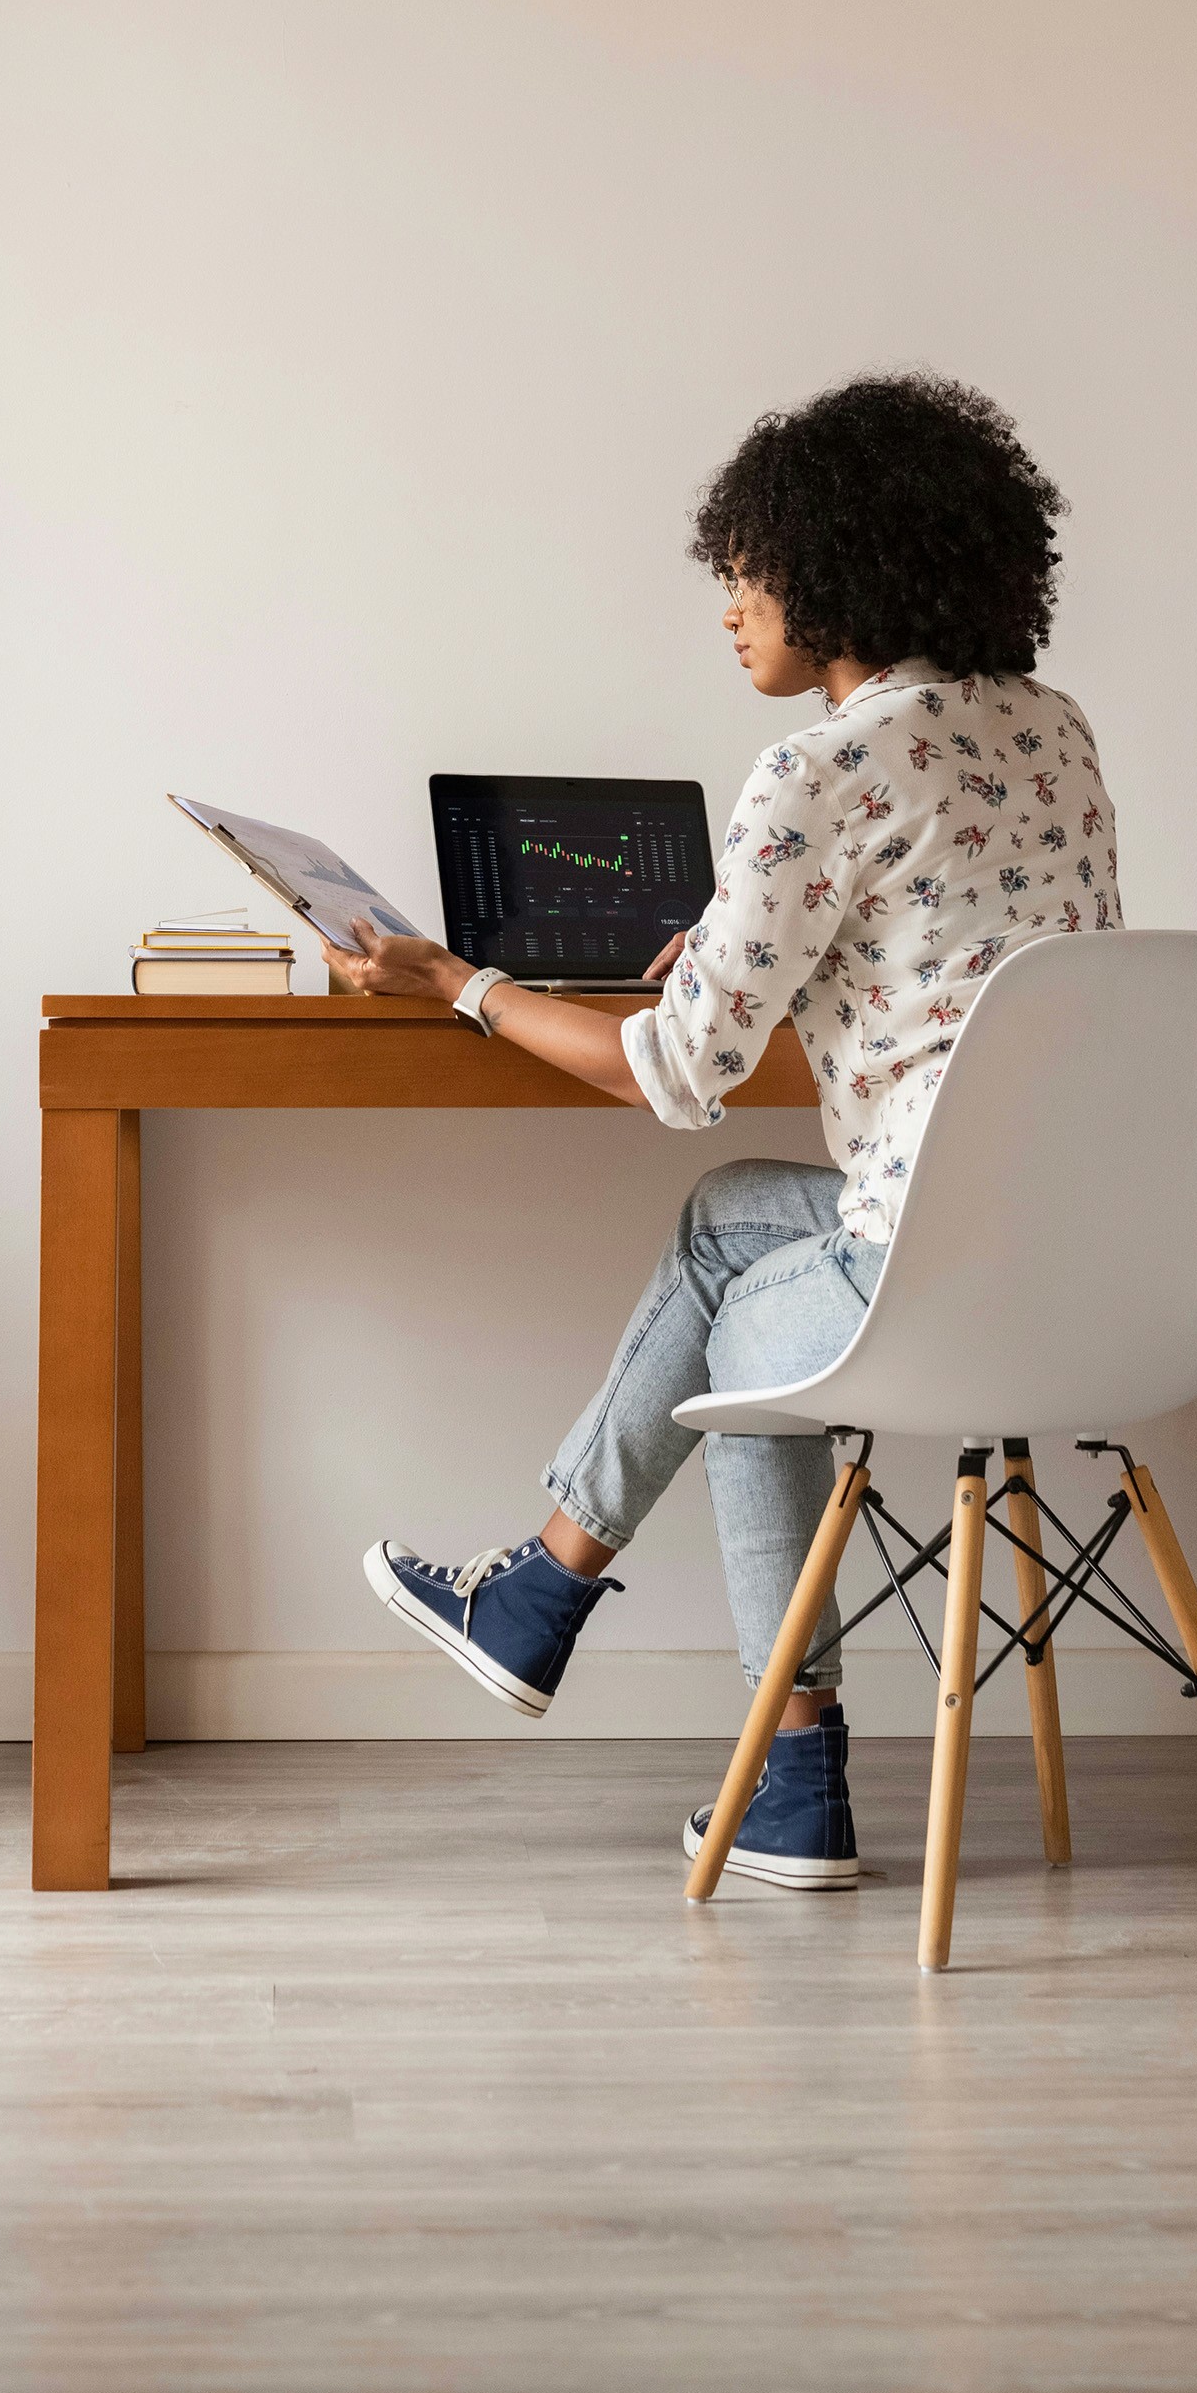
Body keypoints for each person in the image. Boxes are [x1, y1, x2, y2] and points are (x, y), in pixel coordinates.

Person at [342, 374, 1122, 1892]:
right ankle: (571, 1615)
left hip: (932, 1275)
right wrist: (746, 937)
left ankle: (755, 1746)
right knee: (726, 1217)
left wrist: (458, 981)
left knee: (741, 1331)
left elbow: (668, 1070)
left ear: (831, 566)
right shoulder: (1054, 727)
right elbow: (957, 934)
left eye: (745, 568)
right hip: (1101, 1270)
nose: (729, 607)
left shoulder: (814, 770)